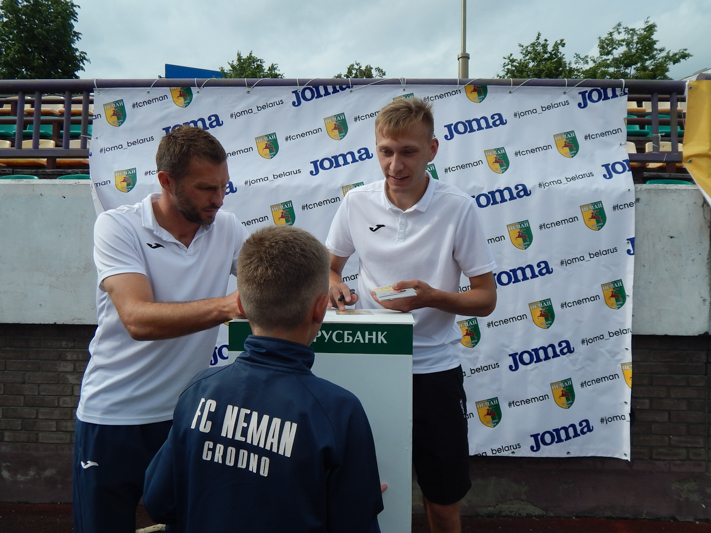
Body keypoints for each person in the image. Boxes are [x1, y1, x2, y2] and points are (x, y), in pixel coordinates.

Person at [326, 97, 497, 533]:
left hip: (434, 371)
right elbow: (329, 267)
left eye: (408, 152)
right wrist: (334, 285)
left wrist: (432, 298)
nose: (395, 165)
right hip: (369, 362)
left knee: (442, 502)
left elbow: (485, 299)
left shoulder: (458, 208)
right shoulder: (356, 202)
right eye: (386, 151)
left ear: (432, 150)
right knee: (364, 491)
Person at [143, 225, 384, 532]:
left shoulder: (199, 390)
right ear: (320, 308)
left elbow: (159, 502)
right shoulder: (339, 412)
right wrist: (356, 496)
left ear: (240, 305)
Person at [73, 126, 250, 533]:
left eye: (223, 186)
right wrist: (228, 306)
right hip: (113, 416)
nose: (219, 199)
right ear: (167, 181)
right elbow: (137, 319)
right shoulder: (117, 226)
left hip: (187, 417)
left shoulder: (228, 227)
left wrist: (325, 279)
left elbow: (272, 283)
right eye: (206, 188)